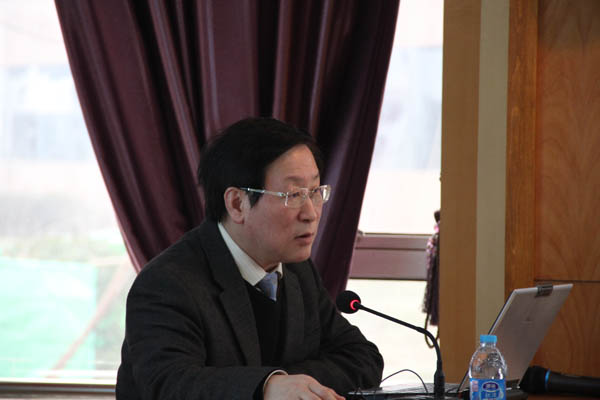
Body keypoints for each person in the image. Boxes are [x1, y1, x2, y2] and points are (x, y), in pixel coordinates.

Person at [116, 117, 383, 399]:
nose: (311, 213)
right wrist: (265, 387)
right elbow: (169, 384)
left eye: (315, 192)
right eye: (293, 194)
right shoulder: (167, 283)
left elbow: (362, 359)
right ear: (237, 203)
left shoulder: (298, 271)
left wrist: (281, 382)